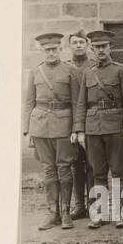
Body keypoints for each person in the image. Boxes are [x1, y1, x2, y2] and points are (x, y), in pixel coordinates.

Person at [23, 32, 81, 230]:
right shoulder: (35, 71)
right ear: (41, 51)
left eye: (54, 49)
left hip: (64, 124)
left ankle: (65, 212)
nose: (51, 53)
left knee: (64, 168)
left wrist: (76, 128)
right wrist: (27, 130)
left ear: (60, 49)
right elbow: (29, 101)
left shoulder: (70, 71)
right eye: (47, 50)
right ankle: (52, 213)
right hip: (39, 125)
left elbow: (76, 103)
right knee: (48, 169)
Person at [78, 30, 123, 229]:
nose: (100, 50)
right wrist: (79, 130)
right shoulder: (88, 73)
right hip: (93, 128)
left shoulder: (121, 71)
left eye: (104, 46)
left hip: (115, 126)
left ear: (110, 47)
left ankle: (121, 213)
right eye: (96, 47)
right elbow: (81, 104)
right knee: (97, 172)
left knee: (118, 170)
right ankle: (100, 214)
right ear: (92, 49)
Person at [66, 30, 93, 219]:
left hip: (91, 120)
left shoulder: (94, 65)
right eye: (74, 42)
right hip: (70, 122)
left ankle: (93, 203)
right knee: (75, 164)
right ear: (70, 46)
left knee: (93, 163)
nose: (78, 45)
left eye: (81, 42)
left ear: (87, 44)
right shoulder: (65, 67)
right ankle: (79, 205)